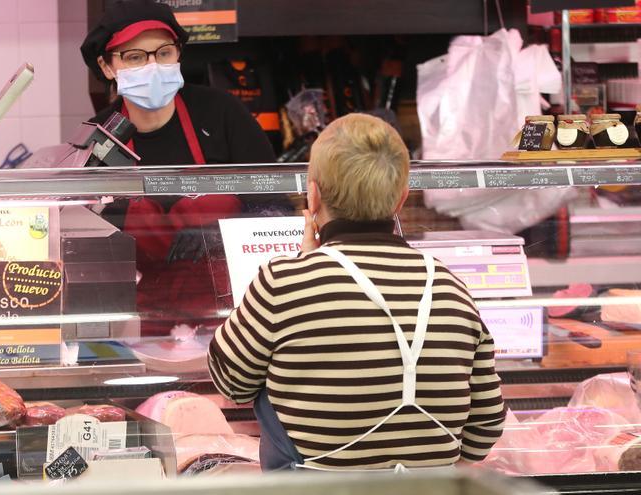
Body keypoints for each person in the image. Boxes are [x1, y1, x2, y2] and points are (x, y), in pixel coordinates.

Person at [207, 113, 505, 471]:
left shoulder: (282, 283)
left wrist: (306, 264)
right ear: (401, 200)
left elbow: (230, 384)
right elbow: (486, 425)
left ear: (312, 195)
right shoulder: (449, 285)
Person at [80, 0, 283, 336]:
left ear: (178, 54)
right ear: (106, 66)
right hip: (138, 324)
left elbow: (278, 209)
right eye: (135, 57)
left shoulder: (222, 114)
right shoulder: (97, 138)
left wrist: (221, 236)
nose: (153, 66)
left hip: (236, 319)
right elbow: (82, 244)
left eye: (163, 53)